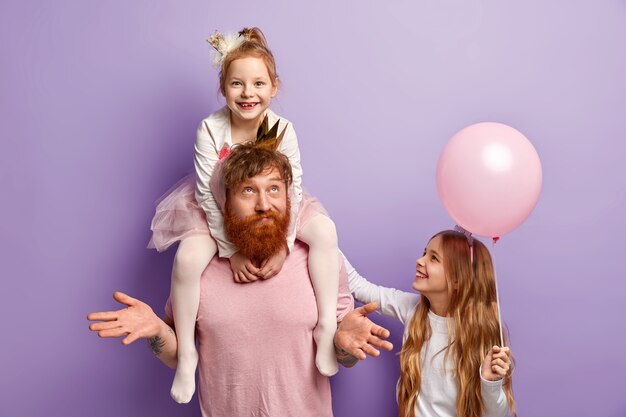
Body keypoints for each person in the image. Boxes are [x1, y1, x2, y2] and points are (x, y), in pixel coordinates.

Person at [88, 143, 393, 416]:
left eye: (274, 189)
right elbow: (175, 357)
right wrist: (156, 331)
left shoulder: (319, 261)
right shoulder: (199, 269)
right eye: (248, 190)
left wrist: (343, 345)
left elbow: (341, 358)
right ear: (224, 202)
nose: (264, 203)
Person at [148, 27, 342, 403]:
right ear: (223, 89)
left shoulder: (283, 129)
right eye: (237, 84)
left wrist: (283, 246)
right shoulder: (211, 128)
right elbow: (208, 192)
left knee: (325, 232)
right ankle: (187, 351)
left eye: (258, 84)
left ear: (274, 88)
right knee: (187, 259)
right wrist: (229, 251)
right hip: (219, 208)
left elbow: (293, 187)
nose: (248, 93)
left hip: (275, 205)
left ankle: (326, 330)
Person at [344, 229, 516, 417]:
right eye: (424, 253)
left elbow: (494, 414)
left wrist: (490, 384)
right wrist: (322, 235)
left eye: (433, 258)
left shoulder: (482, 332)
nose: (420, 261)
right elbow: (359, 286)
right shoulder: (413, 309)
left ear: (459, 279)